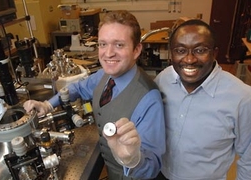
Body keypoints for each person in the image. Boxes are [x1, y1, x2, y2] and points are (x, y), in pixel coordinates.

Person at [24, 10, 166, 180]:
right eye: (103, 44)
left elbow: (152, 167)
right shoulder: (104, 75)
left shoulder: (149, 98)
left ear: (136, 50)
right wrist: (47, 105)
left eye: (119, 45)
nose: (108, 53)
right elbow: (77, 87)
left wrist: (133, 159)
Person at [154, 19, 251, 180]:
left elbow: (249, 159)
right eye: (180, 50)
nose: (189, 59)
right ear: (172, 54)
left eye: (200, 50)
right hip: (161, 173)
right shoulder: (164, 79)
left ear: (215, 53)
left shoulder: (242, 98)